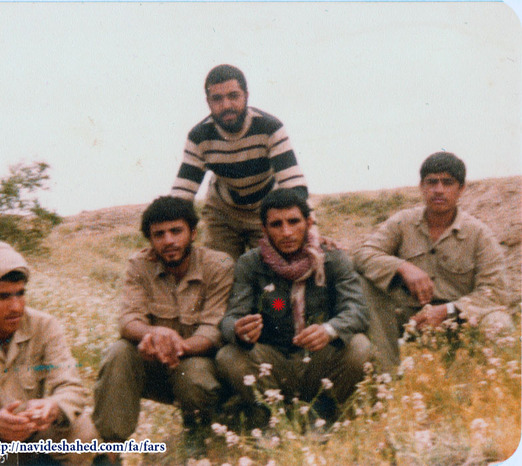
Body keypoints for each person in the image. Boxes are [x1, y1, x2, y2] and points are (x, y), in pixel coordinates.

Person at [92, 196, 233, 455]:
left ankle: (198, 436)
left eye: (176, 231)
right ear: (150, 239)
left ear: (193, 233)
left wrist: (178, 347)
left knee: (194, 372)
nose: (168, 241)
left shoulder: (218, 265)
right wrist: (153, 333)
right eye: (159, 234)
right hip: (155, 362)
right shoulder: (139, 265)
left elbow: (213, 330)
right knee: (118, 353)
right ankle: (109, 449)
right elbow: (128, 319)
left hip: (201, 367)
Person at [216, 189, 370, 424]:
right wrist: (239, 329)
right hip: (273, 362)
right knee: (229, 356)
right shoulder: (250, 263)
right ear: (264, 229)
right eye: (276, 224)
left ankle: (323, 412)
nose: (286, 232)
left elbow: (357, 309)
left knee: (359, 346)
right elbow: (230, 318)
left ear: (308, 222)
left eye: (294, 221)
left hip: (320, 359)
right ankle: (272, 416)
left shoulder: (333, 258)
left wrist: (329, 330)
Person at [0, 240, 97, 465]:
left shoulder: (44, 326)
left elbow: (71, 387)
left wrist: (52, 408)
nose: (16, 307)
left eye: (20, 294)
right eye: (3, 297)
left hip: (34, 439)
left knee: (84, 430)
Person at [354, 152, 512, 371]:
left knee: (499, 322)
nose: (438, 190)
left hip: (459, 321)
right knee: (363, 282)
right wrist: (402, 267)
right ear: (421, 186)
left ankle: (483, 382)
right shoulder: (403, 222)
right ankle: (386, 374)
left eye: (447, 183)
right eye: (432, 182)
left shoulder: (479, 234)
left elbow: (494, 292)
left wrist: (448, 310)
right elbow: (363, 255)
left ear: (461, 189)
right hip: (409, 318)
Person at [170, 64, 309, 260]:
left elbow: (293, 184)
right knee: (219, 269)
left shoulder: (270, 128)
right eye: (217, 99)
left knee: (273, 269)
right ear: (208, 102)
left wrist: (311, 231)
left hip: (265, 210)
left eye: (233, 96)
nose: (226, 105)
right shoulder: (199, 137)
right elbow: (182, 193)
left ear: (246, 96)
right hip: (222, 213)